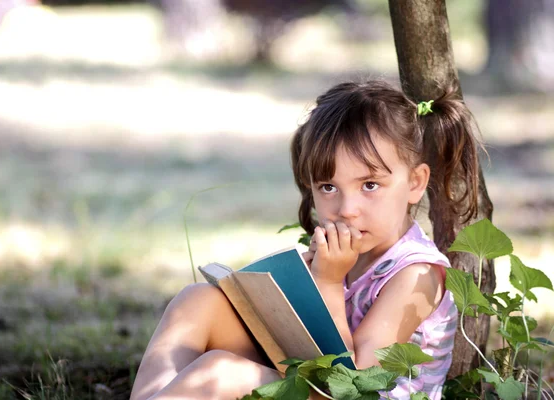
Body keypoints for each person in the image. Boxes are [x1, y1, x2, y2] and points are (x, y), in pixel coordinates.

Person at [131, 80, 482, 400]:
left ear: (416, 183)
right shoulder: (342, 253)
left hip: (354, 393)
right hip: (316, 382)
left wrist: (327, 284)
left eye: (369, 185)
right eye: (328, 187)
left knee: (222, 374)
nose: (347, 209)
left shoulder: (415, 274)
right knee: (197, 301)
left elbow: (357, 384)